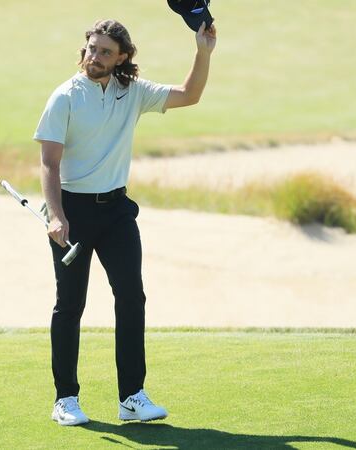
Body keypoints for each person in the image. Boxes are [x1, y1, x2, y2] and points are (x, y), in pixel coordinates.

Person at [33, 18, 217, 426]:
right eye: (90, 49)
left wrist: (202, 52)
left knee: (132, 298)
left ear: (122, 58)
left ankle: (131, 396)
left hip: (116, 211)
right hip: (73, 211)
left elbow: (190, 95)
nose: (93, 57)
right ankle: (66, 399)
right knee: (70, 305)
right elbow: (49, 163)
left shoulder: (131, 92)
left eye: (104, 52)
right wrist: (57, 215)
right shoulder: (65, 96)